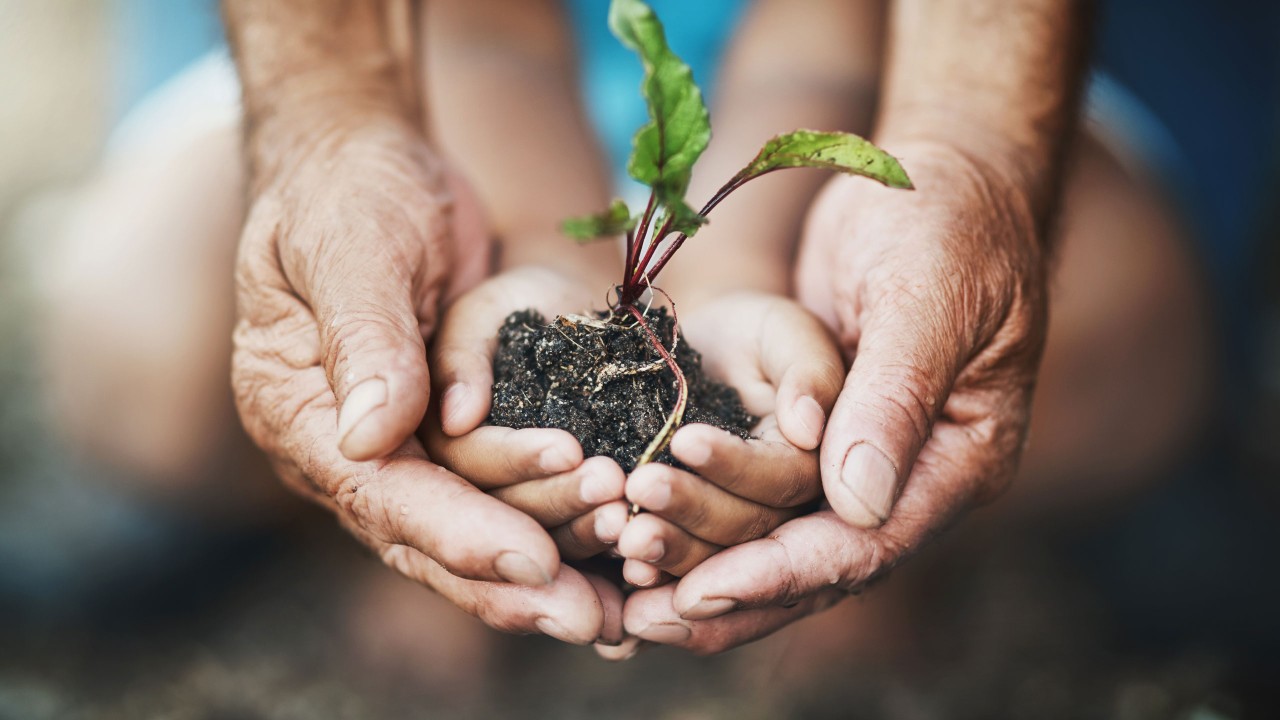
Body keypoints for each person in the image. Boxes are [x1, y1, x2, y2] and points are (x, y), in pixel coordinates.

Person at [41, 0, 1209, 663]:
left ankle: (903, 553)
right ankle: (367, 527)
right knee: (151, 333)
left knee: (1114, 327)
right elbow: (475, 39)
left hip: (868, 78)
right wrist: (537, 264)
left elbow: (826, 47)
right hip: (438, 96)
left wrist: (747, 269)